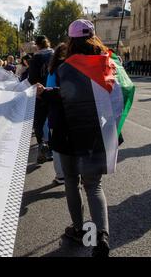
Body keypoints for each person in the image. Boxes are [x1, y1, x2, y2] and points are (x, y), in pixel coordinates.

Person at [38, 19, 113, 257]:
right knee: (94, 185)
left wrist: (46, 93)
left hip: (69, 133)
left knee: (71, 181)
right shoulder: (108, 64)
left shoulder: (66, 68)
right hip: (97, 133)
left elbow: (66, 97)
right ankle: (101, 234)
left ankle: (80, 230)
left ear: (72, 41)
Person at [28, 35, 54, 164]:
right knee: (55, 120)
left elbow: (32, 78)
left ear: (37, 45)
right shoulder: (56, 54)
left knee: (39, 121)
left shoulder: (36, 58)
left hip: (41, 93)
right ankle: (54, 148)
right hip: (56, 91)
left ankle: (42, 144)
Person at [46, 43, 68, 185]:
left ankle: (60, 175)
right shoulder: (72, 67)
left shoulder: (52, 70)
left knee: (57, 146)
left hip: (56, 111)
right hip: (72, 111)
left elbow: (48, 90)